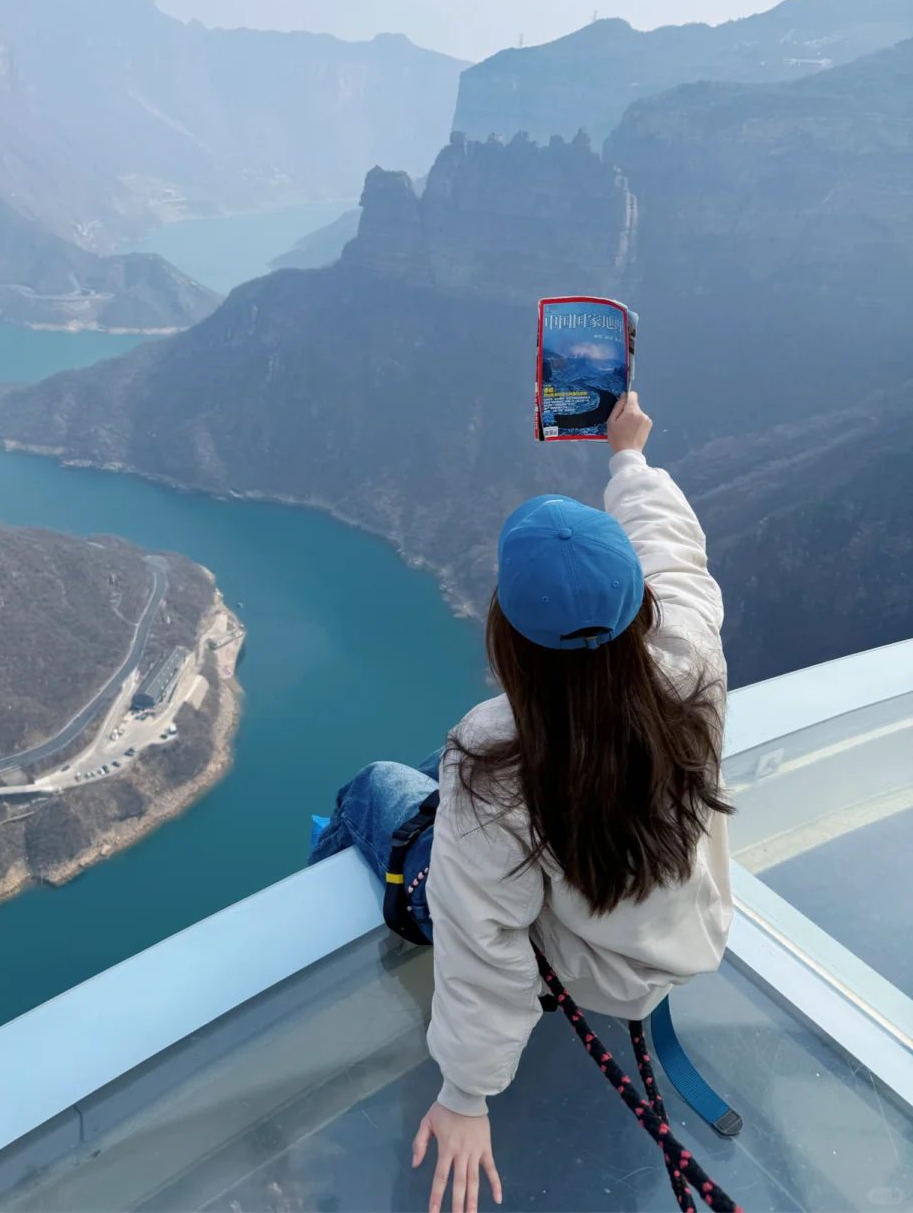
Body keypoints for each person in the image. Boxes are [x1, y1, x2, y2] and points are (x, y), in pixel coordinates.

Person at [309, 392, 733, 1213]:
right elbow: (678, 557)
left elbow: (482, 939)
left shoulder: (492, 764)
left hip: (578, 970)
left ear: (507, 631)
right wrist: (629, 461)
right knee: (448, 785)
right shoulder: (692, 666)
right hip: (671, 939)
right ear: (639, 605)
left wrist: (467, 1095)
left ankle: (337, 889)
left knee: (374, 788)